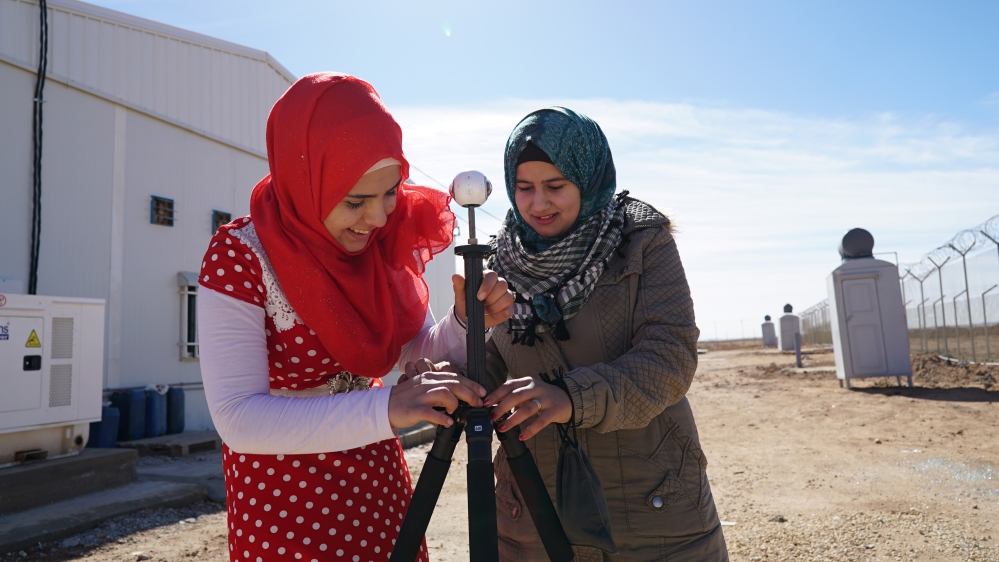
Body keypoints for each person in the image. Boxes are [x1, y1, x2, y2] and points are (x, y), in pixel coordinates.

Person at [197, 73, 513, 562]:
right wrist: (387, 408)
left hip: (378, 481)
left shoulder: (374, 244)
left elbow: (411, 354)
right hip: (284, 502)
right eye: (354, 201)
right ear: (306, 183)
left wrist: (466, 323)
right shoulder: (240, 257)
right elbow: (238, 418)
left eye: (389, 193)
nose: (379, 218)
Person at [480, 107, 729, 561]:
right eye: (524, 188)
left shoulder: (641, 242)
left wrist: (572, 398)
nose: (539, 204)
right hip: (531, 518)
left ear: (589, 178)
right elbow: (496, 359)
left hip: (652, 512)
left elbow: (670, 358)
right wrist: (453, 372)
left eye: (556, 186)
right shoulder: (500, 258)